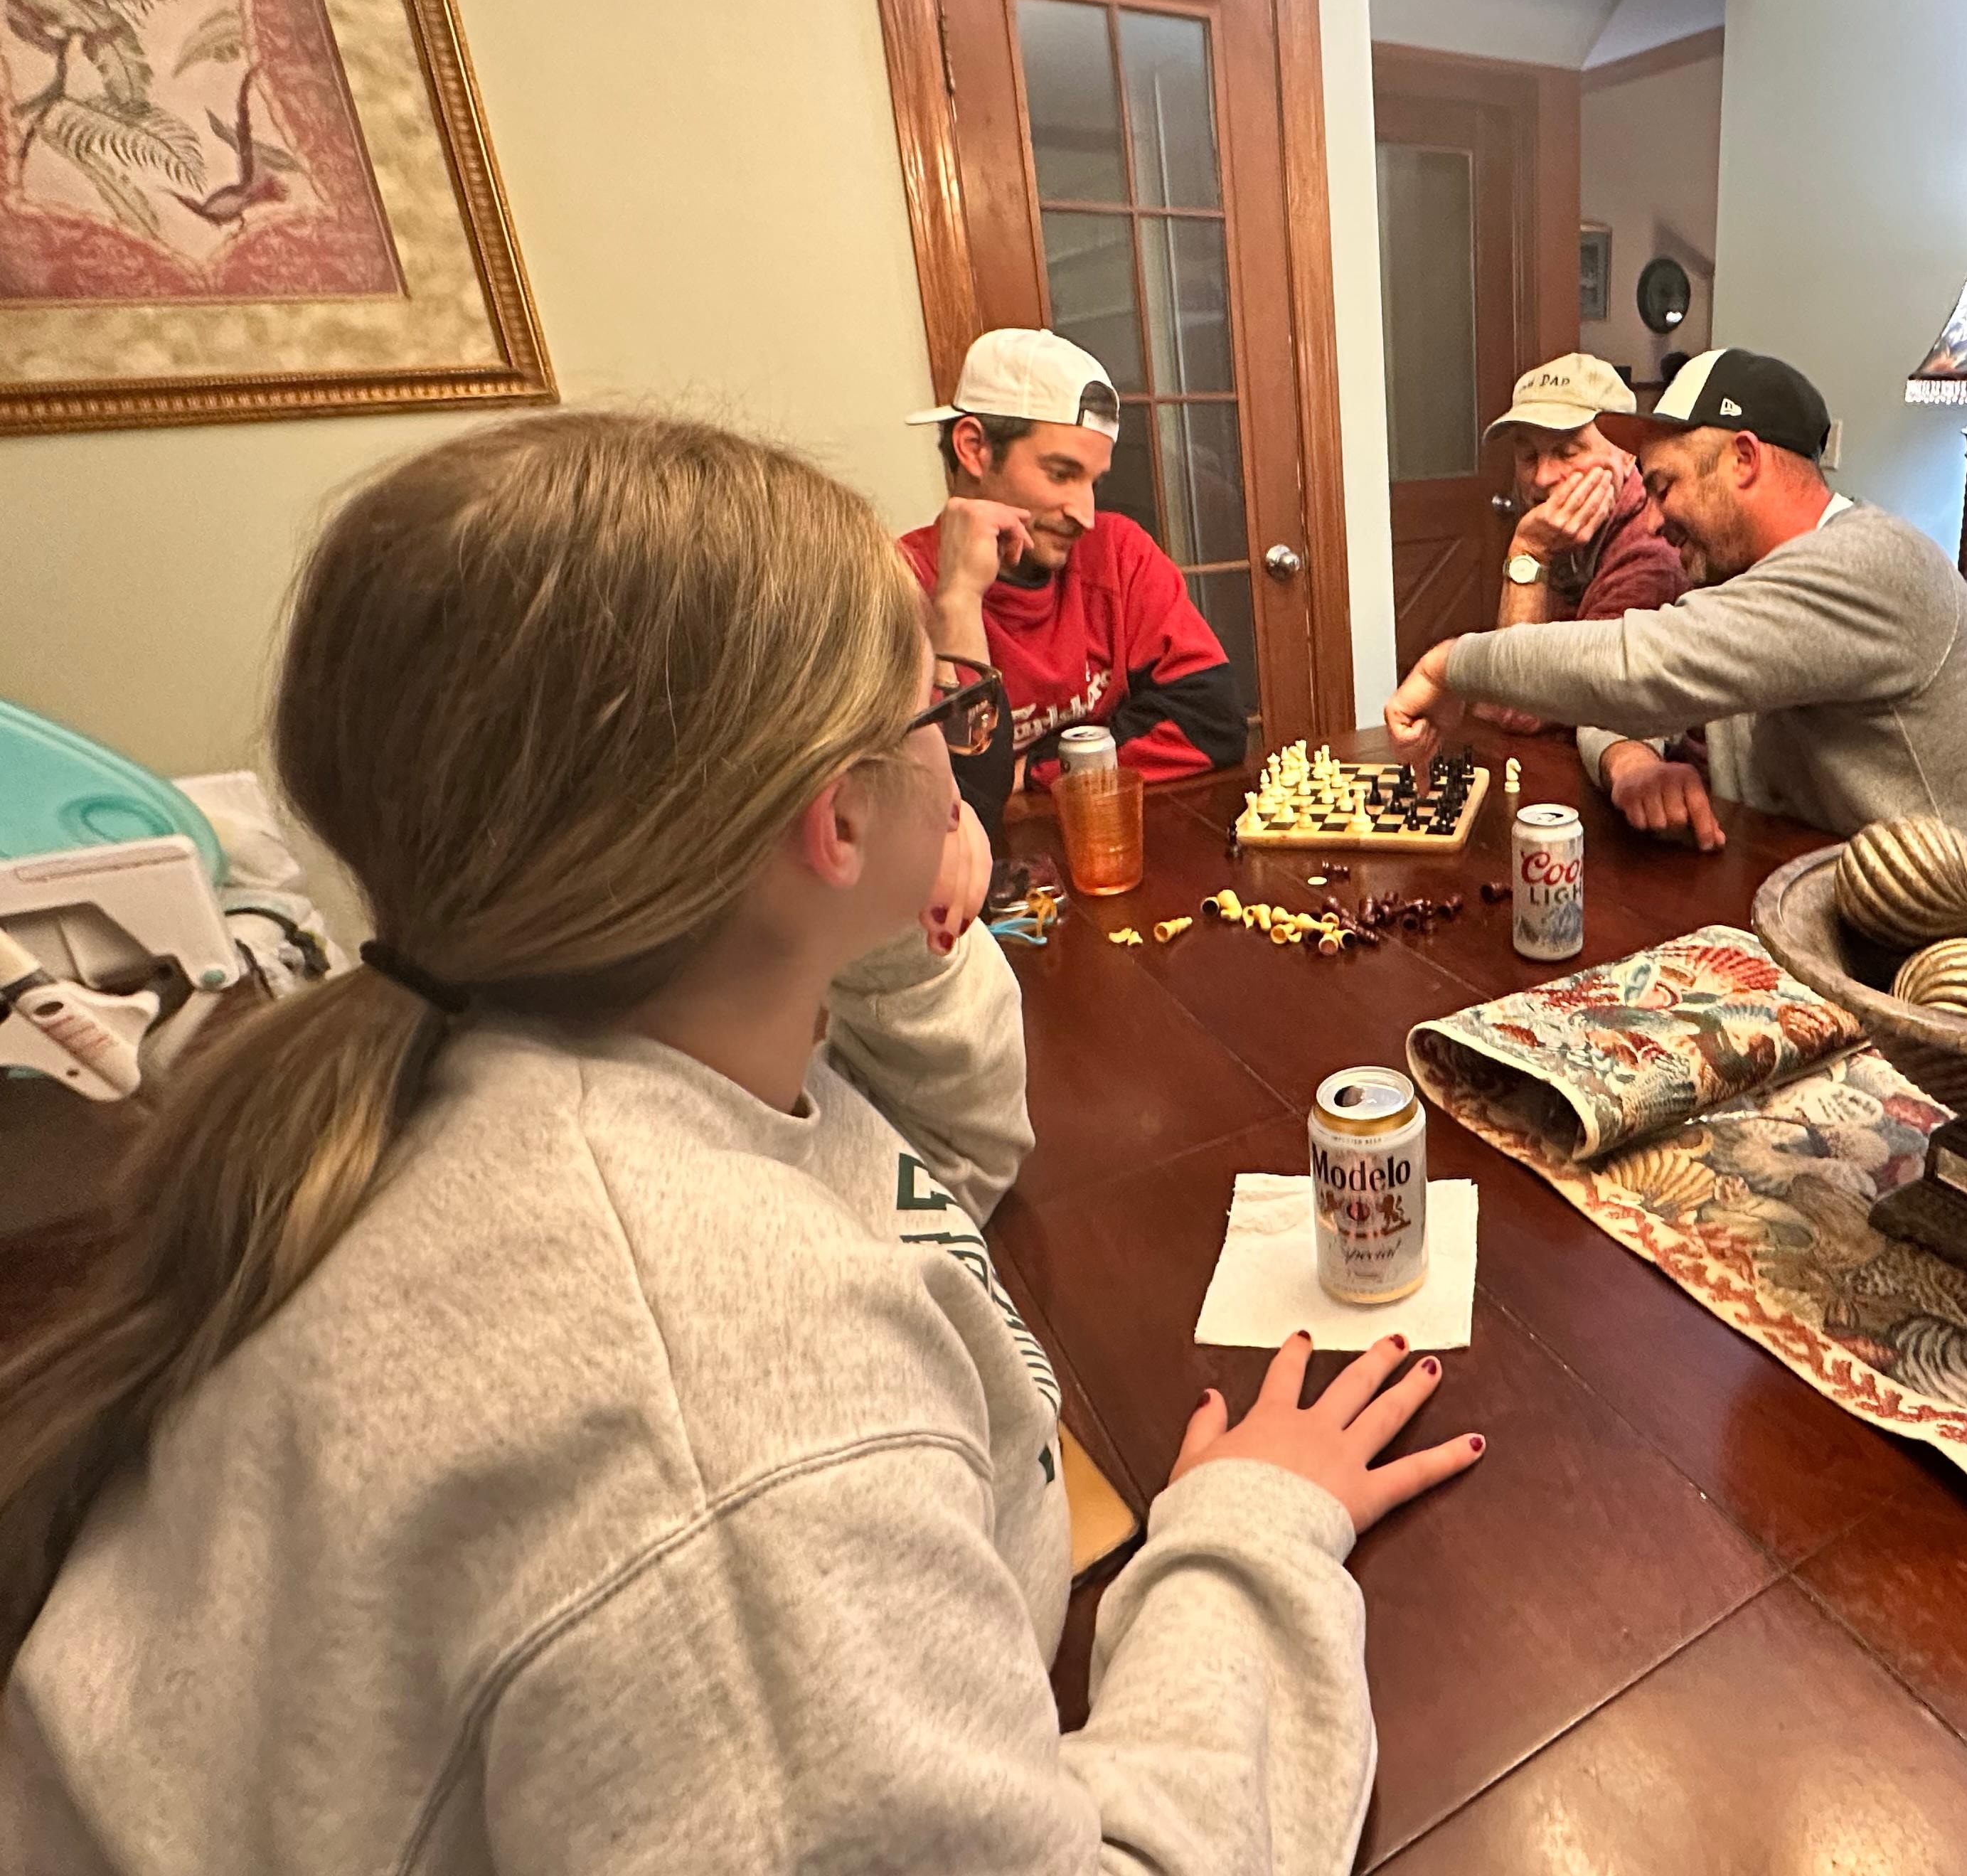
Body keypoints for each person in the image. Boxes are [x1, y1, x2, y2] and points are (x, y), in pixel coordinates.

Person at [0, 412, 1481, 1872]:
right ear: (836, 820)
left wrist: (895, 933)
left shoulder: (497, 1039)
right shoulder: (713, 1434)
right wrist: (1246, 1540)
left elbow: (920, 1183)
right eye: (936, 722)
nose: (963, 755)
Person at [1385, 348, 1967, 851]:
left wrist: (1450, 663)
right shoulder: (1742, 580)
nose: (1650, 521)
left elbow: (1637, 667)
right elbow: (1633, 695)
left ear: (1743, 459)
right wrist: (1630, 758)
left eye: (1664, 487)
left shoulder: (1870, 564)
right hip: (1831, 905)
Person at [904, 327, 1247, 791]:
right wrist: (959, 600)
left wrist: (1043, 770)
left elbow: (1214, 723)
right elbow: (951, 795)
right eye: (1061, 474)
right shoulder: (891, 583)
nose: (1085, 515)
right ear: (974, 448)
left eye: (1093, 482)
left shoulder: (1118, 552)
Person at [1473, 355, 1688, 736]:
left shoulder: (1653, 555)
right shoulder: (1561, 532)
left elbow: (1518, 706)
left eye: (1567, 452)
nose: (1541, 478)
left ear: (1626, 452)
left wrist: (1529, 551)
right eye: (1528, 456)